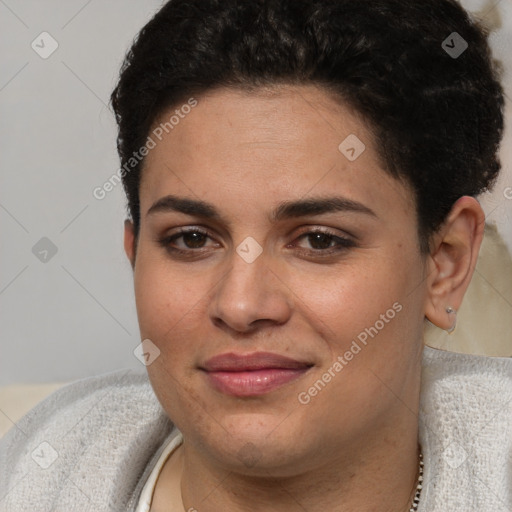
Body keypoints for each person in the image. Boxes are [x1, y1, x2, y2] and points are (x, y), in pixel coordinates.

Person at [1, 0, 510, 511]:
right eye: (192, 239)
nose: (241, 305)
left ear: (445, 262)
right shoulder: (39, 471)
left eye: (318, 240)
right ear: (135, 255)